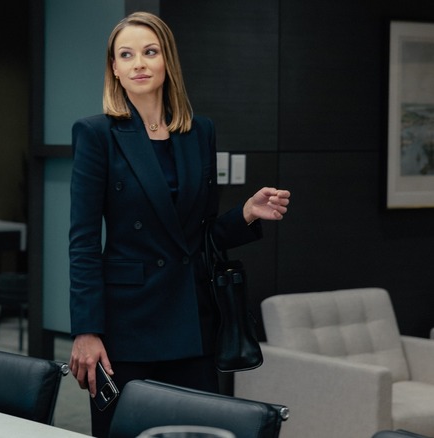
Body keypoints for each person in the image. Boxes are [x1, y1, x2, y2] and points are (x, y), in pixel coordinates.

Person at [68, 11, 291, 438]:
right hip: (126, 327)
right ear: (114, 68)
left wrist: (246, 214)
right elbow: (82, 243)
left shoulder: (198, 132)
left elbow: (199, 235)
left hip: (192, 321)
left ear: (166, 61)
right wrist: (86, 330)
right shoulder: (96, 134)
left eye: (150, 52)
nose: (139, 63)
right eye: (126, 54)